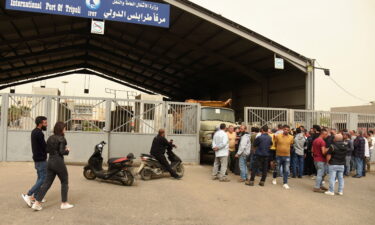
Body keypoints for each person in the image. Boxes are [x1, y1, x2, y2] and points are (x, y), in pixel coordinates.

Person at [31, 122, 74, 211]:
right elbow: (62, 152)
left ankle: (37, 203)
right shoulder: (62, 139)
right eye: (64, 128)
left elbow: (46, 150)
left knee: (46, 183)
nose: (65, 130)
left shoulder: (50, 138)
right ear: (61, 129)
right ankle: (64, 203)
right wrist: (67, 150)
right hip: (58, 162)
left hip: (50, 162)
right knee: (64, 182)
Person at [21, 116, 48, 207]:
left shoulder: (34, 132)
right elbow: (44, 146)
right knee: (43, 178)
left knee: (40, 178)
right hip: (40, 160)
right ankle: (28, 194)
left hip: (37, 159)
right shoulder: (39, 133)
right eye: (45, 123)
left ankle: (35, 197)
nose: (46, 124)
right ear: (40, 123)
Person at [273, 125, 294, 189]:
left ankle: (285, 183)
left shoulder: (291, 137)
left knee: (286, 170)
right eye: (285, 129)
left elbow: (291, 145)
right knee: (277, 168)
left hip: (287, 156)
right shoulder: (278, 136)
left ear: (289, 130)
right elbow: (275, 144)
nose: (286, 131)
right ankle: (274, 178)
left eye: (287, 130)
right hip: (278, 155)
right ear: (282, 129)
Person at [312, 129, 329, 193]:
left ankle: (320, 185)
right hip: (321, 160)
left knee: (321, 173)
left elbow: (312, 150)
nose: (327, 136)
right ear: (323, 134)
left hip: (316, 159)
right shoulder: (322, 141)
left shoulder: (315, 140)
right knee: (320, 174)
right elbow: (323, 152)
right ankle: (317, 187)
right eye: (326, 134)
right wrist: (328, 149)